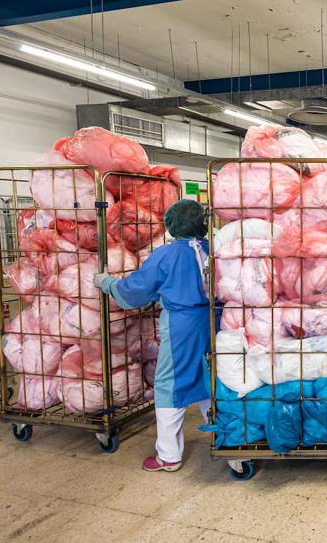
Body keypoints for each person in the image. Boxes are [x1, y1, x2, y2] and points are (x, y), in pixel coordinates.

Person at [94, 199, 213, 472]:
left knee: (169, 384)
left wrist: (107, 283)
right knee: (211, 377)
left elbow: (135, 290)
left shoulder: (167, 254)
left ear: (172, 225)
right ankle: (224, 436)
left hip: (182, 325)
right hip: (212, 321)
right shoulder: (212, 250)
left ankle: (168, 455)